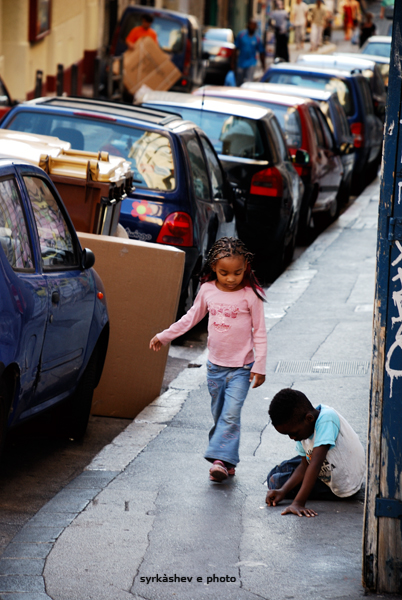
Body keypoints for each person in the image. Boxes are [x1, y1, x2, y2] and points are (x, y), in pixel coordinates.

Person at [149, 237, 267, 482]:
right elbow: (190, 319)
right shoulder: (207, 291)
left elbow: (260, 332)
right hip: (215, 368)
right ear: (213, 267)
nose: (231, 278)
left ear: (246, 266)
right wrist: (164, 336)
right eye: (224, 273)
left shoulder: (250, 296)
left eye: (237, 272)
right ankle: (228, 460)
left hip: (242, 369)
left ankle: (219, 461)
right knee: (221, 415)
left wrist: (260, 365)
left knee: (231, 415)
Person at [265, 388, 365, 517]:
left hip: (343, 483)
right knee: (278, 474)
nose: (292, 438)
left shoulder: (327, 419)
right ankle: (282, 485)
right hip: (325, 463)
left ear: (309, 418)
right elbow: (304, 465)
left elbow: (315, 465)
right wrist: (282, 491)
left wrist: (298, 503)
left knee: (275, 480)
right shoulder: (304, 427)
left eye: (293, 433)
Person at [232, 19, 265, 86]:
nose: (252, 27)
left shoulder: (257, 38)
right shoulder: (241, 35)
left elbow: (261, 52)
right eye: (251, 25)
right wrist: (233, 62)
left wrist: (263, 66)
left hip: (251, 63)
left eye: (254, 26)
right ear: (248, 25)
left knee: (248, 82)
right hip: (241, 63)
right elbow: (235, 49)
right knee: (239, 82)